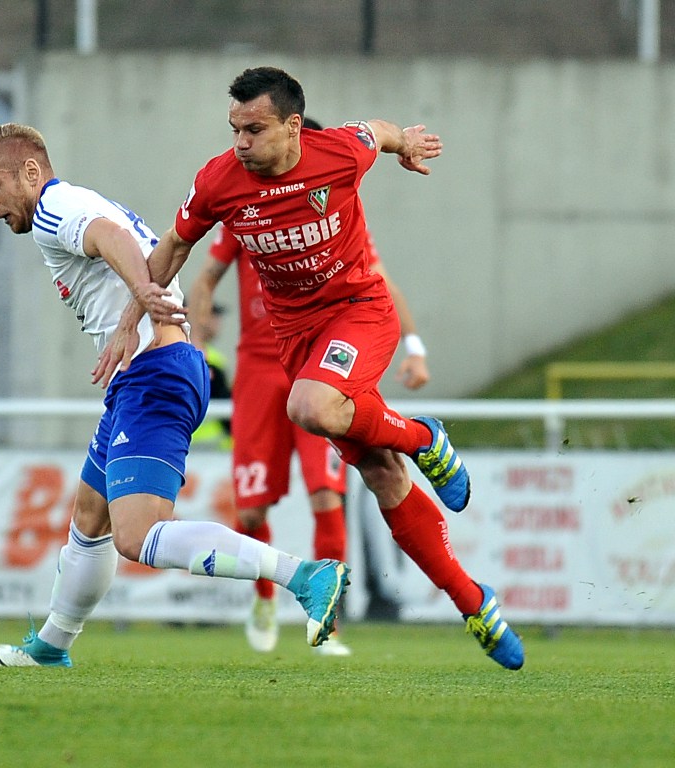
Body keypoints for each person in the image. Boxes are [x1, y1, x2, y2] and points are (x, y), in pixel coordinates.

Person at [97, 67, 524, 670]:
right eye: (234, 129)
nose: (240, 142)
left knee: (310, 406)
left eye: (254, 129)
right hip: (297, 342)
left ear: (294, 126)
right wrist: (130, 316)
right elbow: (173, 247)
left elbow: (378, 131)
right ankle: (472, 601)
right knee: (380, 472)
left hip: (359, 313)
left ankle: (423, 437)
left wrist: (406, 143)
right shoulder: (219, 181)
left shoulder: (338, 153)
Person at [0, 122, 350, 667]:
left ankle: (305, 576)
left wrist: (142, 294)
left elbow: (108, 235)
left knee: (137, 535)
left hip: (155, 375)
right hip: (144, 377)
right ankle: (52, 645)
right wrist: (139, 302)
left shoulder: (55, 207)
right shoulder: (68, 204)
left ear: (30, 172)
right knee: (90, 515)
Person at [189, 194, 430, 657]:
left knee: (326, 496)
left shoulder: (335, 209)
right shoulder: (245, 210)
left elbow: (379, 278)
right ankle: (264, 598)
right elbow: (205, 278)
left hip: (315, 366)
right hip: (259, 371)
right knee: (251, 512)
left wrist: (414, 347)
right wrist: (195, 345)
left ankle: (327, 624)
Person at [189, 302, 233, 448]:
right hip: (209, 444)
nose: (218, 322)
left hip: (184, 441)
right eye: (213, 315)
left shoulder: (213, 356)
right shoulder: (211, 360)